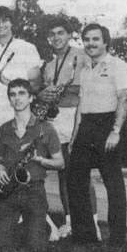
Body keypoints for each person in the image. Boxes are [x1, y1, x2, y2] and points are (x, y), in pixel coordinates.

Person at [36, 19, 98, 239]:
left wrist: (66, 90)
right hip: (57, 118)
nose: (56, 37)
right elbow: (45, 91)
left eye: (60, 33)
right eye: (51, 34)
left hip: (77, 115)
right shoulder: (50, 65)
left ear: (70, 35)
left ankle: (93, 223)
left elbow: (91, 85)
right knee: (63, 171)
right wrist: (45, 93)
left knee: (80, 171)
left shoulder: (82, 55)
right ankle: (70, 222)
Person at [68, 23, 127, 246]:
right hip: (86, 127)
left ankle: (117, 239)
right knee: (75, 180)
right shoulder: (84, 69)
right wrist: (74, 137)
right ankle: (85, 237)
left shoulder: (117, 65)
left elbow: (124, 98)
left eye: (95, 39)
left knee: (113, 184)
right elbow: (81, 106)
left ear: (105, 42)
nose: (90, 44)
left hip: (108, 124)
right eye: (87, 39)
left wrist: (116, 131)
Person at [0, 79, 64, 250]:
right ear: (9, 99)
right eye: (13, 94)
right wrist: (0, 168)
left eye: (22, 93)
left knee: (35, 247)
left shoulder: (46, 128)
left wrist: (41, 160)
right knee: (0, 246)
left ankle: (41, 225)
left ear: (31, 98)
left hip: (34, 191)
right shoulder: (4, 129)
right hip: (9, 191)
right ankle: (26, 224)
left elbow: (60, 163)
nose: (17, 98)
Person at [0, 6, 42, 159]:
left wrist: (7, 82)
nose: (1, 25)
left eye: (5, 20)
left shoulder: (26, 48)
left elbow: (36, 84)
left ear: (12, 23)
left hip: (18, 112)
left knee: (21, 157)